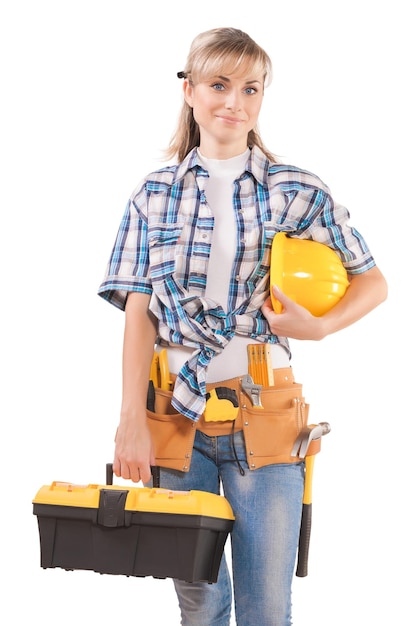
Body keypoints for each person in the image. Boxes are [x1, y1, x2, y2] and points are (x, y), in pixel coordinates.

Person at [98, 27, 387, 626]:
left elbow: (373, 281)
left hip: (268, 415)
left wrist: (320, 327)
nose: (234, 101)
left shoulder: (296, 190)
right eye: (219, 84)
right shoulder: (153, 195)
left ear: (261, 98)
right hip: (172, 417)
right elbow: (137, 316)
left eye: (250, 88)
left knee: (265, 610)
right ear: (190, 91)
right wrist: (130, 420)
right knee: (199, 604)